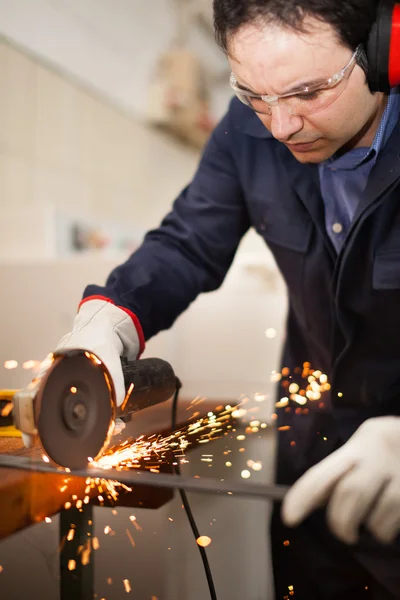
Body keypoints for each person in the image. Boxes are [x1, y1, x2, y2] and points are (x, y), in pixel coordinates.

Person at [26, 1, 400, 597]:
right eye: (255, 94)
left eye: (308, 93)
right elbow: (187, 244)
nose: (280, 126)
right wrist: (107, 321)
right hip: (313, 444)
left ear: (384, 49)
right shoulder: (246, 131)